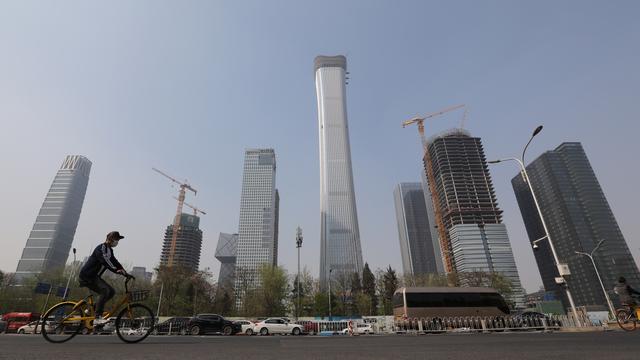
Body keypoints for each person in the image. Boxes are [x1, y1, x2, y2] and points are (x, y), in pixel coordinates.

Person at [78, 231, 131, 325]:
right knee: (105, 290)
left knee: (111, 292)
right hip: (87, 276)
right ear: (110, 239)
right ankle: (97, 318)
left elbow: (114, 261)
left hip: (94, 276)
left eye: (118, 240)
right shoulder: (101, 248)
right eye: (116, 239)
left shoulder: (109, 250)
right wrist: (116, 270)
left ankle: (91, 309)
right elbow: (105, 261)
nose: (117, 242)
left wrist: (124, 272)